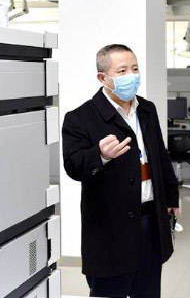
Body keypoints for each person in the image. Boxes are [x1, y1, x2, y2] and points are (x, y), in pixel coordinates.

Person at [63, 44, 180, 298]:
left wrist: (171, 198)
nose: (132, 76)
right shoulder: (80, 118)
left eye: (135, 69)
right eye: (122, 71)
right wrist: (100, 155)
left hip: (149, 220)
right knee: (109, 290)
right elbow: (72, 166)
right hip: (110, 228)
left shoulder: (147, 110)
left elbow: (160, 156)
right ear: (103, 78)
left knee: (148, 290)